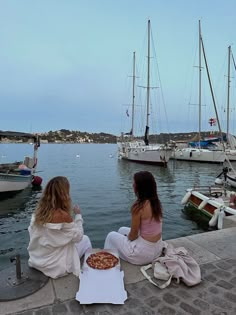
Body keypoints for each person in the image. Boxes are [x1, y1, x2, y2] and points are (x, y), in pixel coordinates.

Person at [27, 176, 92, 278]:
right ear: (64, 194)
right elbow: (78, 237)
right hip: (56, 266)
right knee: (86, 240)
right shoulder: (63, 215)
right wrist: (78, 216)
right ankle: (89, 270)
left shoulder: (37, 213)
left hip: (37, 260)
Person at [104, 171, 164, 265]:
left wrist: (127, 240)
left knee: (111, 236)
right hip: (157, 250)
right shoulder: (156, 203)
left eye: (134, 183)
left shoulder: (138, 207)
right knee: (121, 230)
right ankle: (117, 253)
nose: (133, 185)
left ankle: (106, 262)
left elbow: (133, 235)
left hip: (142, 255)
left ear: (140, 187)